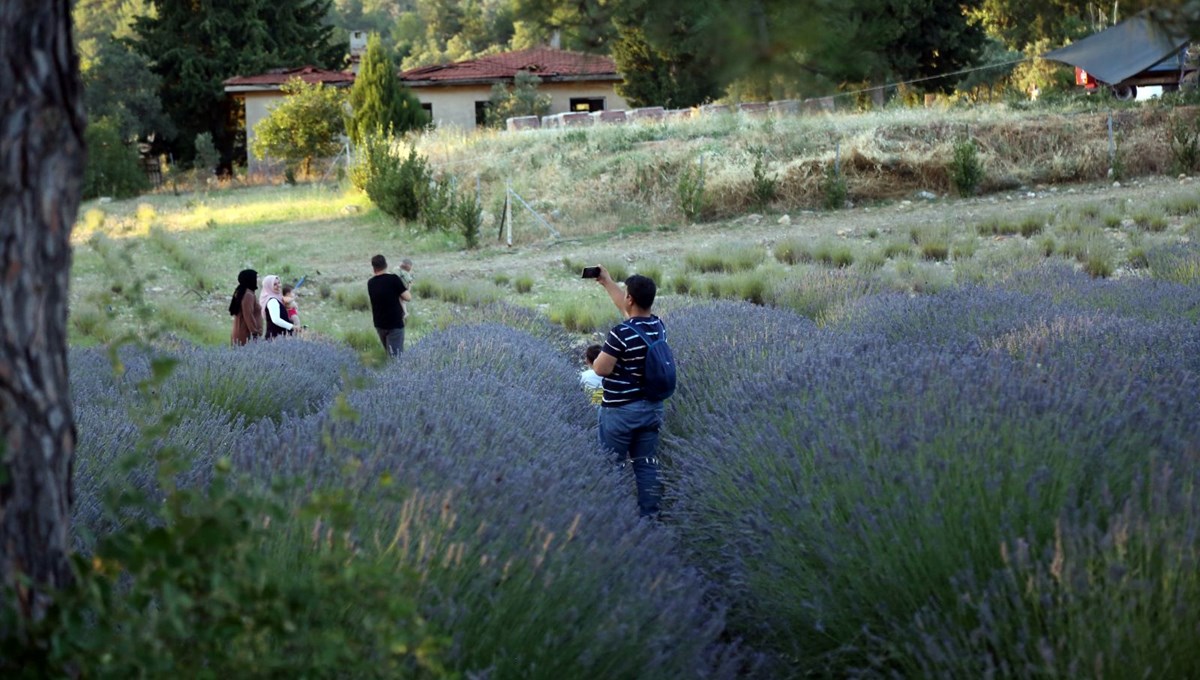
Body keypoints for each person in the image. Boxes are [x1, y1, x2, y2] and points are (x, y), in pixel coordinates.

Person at [590, 267, 667, 518]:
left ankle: (612, 519)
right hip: (651, 408)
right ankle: (649, 519)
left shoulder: (620, 333)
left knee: (610, 467)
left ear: (630, 299)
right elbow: (628, 311)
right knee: (645, 466)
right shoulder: (658, 326)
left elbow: (601, 369)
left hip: (620, 412)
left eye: (626, 294)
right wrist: (607, 282)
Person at [367, 254, 412, 356]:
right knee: (396, 358)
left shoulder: (371, 283)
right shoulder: (393, 279)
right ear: (386, 265)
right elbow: (408, 297)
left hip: (379, 324)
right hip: (394, 324)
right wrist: (409, 286)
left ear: (374, 268)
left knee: (389, 353)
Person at [229, 269, 262, 345]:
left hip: (241, 331)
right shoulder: (248, 295)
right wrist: (254, 333)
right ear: (250, 279)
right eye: (256, 278)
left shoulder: (243, 292)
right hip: (246, 335)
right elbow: (248, 315)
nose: (257, 280)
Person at [259, 274, 295, 339]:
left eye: (279, 283)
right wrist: (292, 327)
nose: (278, 286)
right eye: (275, 284)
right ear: (269, 286)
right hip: (275, 338)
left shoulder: (278, 298)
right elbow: (276, 319)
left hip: (280, 337)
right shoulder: (272, 300)